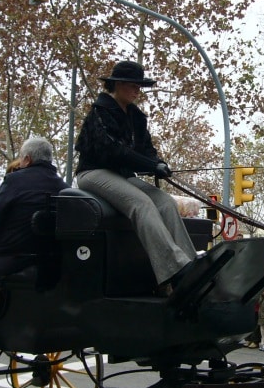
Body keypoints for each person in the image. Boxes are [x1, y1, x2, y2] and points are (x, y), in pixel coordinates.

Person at [74, 60, 197, 292]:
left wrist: (159, 163)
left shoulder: (136, 117)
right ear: (118, 84)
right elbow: (112, 150)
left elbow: (145, 150)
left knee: (166, 202)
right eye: (133, 85)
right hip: (94, 173)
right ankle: (176, 269)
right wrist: (149, 164)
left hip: (122, 175)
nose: (137, 90)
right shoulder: (101, 110)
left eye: (139, 86)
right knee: (141, 203)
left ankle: (192, 266)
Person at [0, 137, 68, 318]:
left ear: (27, 159)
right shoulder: (62, 186)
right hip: (50, 262)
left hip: (13, 257)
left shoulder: (15, 181)